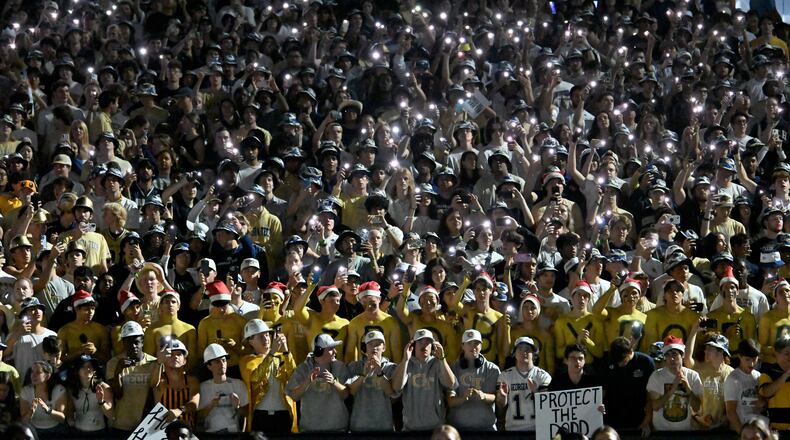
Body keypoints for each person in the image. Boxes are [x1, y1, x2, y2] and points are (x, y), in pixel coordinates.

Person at [391, 328, 457, 432]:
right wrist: (405, 360)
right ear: (413, 346)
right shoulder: (406, 364)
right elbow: (396, 387)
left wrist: (442, 358)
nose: (424, 345)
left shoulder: (438, 363)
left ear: (433, 346)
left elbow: (450, 383)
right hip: (410, 429)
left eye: (428, 342)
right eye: (420, 342)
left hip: (436, 430)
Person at [239, 319, 296, 434]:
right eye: (260, 336)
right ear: (251, 341)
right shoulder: (247, 360)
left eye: (267, 335)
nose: (266, 339)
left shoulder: (282, 357)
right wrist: (272, 353)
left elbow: (294, 376)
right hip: (261, 415)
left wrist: (285, 351)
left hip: (283, 414)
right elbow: (256, 378)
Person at [286, 333, 349, 432]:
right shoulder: (303, 368)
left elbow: (346, 395)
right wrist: (307, 382)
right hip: (310, 430)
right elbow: (293, 396)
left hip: (337, 429)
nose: (335, 351)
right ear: (319, 351)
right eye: (331, 348)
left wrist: (334, 382)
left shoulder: (340, 366)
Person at [106, 321, 157, 434]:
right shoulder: (113, 363)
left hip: (146, 425)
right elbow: (117, 395)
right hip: (121, 424)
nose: (133, 346)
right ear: (123, 343)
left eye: (136, 342)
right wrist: (118, 371)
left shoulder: (154, 363)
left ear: (142, 342)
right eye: (128, 342)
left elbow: (156, 395)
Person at [646, 336, 704, 431]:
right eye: (667, 355)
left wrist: (688, 388)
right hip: (662, 432)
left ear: (683, 355)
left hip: (685, 432)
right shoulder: (656, 376)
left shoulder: (693, 376)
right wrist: (672, 389)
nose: (671, 359)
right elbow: (655, 406)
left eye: (674, 354)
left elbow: (698, 408)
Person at [496, 336, 552, 432]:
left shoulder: (543, 376)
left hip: (537, 429)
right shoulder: (505, 376)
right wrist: (503, 396)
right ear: (514, 353)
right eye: (520, 349)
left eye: (528, 349)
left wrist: (536, 392)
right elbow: (500, 405)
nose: (524, 352)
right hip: (513, 429)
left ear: (534, 354)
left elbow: (548, 405)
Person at [447, 329, 500, 431]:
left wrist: (483, 396)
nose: (473, 346)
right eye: (469, 343)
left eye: (476, 343)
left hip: (486, 429)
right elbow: (450, 401)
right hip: (459, 430)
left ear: (481, 345)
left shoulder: (492, 369)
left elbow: (496, 398)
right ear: (462, 346)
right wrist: (463, 398)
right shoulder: (452, 369)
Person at [600, 337, 655, 433]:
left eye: (622, 360)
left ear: (630, 352)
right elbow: (603, 391)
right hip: (612, 418)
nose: (619, 364)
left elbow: (651, 395)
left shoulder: (646, 363)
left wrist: (647, 420)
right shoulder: (607, 362)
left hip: (637, 416)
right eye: (617, 361)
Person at [346, 330, 397, 432]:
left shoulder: (391, 367)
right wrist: (364, 374)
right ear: (365, 348)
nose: (374, 348)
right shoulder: (354, 366)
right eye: (370, 344)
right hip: (359, 426)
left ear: (384, 347)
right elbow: (351, 391)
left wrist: (379, 371)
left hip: (383, 426)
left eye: (378, 344)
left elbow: (391, 393)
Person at [198, 343, 249, 433]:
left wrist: (237, 406)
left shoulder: (238, 384)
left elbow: (247, 413)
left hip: (233, 434)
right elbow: (198, 418)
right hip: (211, 435)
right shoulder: (203, 387)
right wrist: (210, 406)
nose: (222, 364)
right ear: (209, 366)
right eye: (217, 361)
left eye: (224, 360)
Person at [724, 339, 767, 433]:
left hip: (759, 431)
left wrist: (763, 404)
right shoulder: (732, 379)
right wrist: (743, 434)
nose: (751, 364)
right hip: (743, 431)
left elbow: (764, 404)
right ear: (739, 356)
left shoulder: (759, 376)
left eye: (754, 359)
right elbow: (731, 412)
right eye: (747, 359)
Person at [65, 355, 113, 432]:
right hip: (78, 432)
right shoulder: (72, 389)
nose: (87, 369)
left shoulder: (103, 387)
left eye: (90, 366)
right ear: (76, 371)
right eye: (83, 367)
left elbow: (111, 415)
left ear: (94, 370)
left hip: (99, 432)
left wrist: (101, 402)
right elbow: (70, 411)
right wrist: (70, 419)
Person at [20, 360, 67, 433]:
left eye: (38, 372)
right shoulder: (25, 391)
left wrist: (48, 410)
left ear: (48, 376)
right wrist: (31, 412)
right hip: (34, 429)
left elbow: (62, 419)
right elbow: (24, 421)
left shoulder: (59, 390)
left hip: (56, 430)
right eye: (32, 372)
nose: (33, 375)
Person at [759, 336, 790, 432]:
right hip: (778, 431)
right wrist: (787, 374)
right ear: (777, 354)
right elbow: (766, 392)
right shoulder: (768, 371)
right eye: (787, 354)